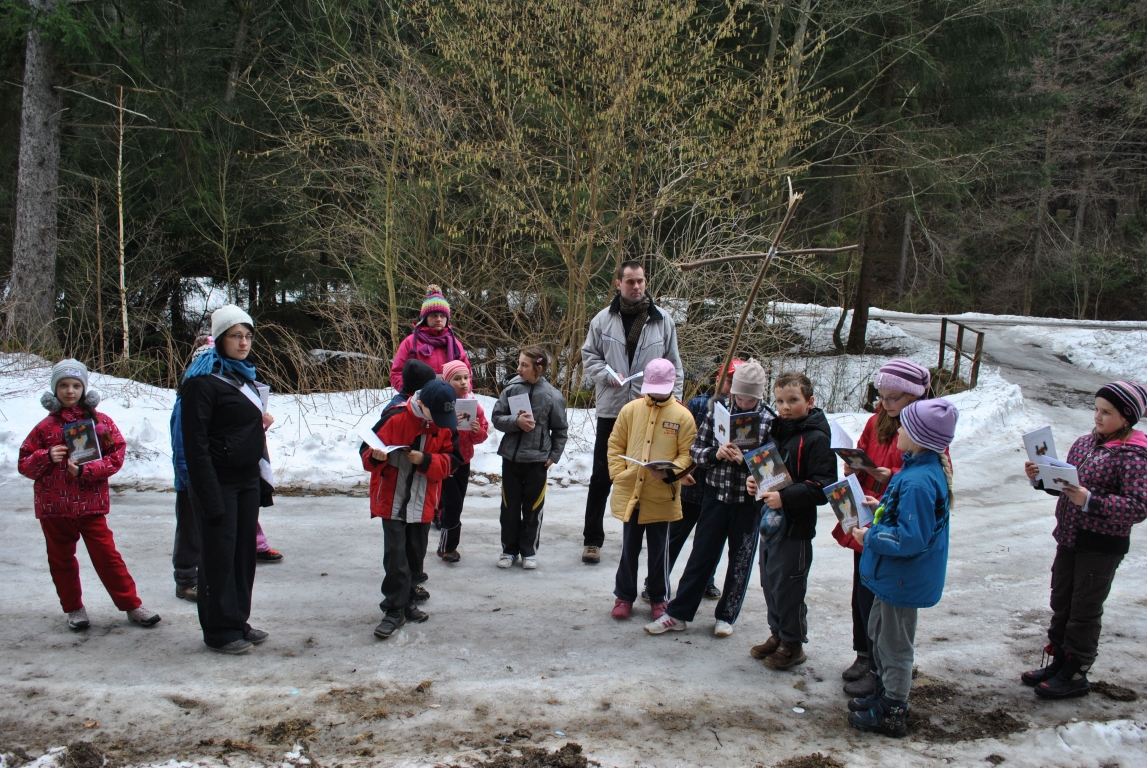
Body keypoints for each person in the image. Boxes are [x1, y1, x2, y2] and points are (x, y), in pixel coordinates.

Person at [1021, 381, 1147, 699]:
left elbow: (1138, 507)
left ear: (1127, 417)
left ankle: (1076, 672)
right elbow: (1065, 486)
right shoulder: (1084, 444)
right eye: (1096, 409)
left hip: (1101, 548)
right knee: (1061, 602)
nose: (1098, 417)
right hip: (1068, 537)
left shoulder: (1135, 455)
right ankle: (1059, 662)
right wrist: (1040, 477)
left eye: (1107, 412)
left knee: (1084, 610)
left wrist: (1091, 501)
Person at [19, 359, 161, 632]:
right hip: (54, 507)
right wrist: (46, 456)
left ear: (84, 388)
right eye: (63, 385)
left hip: (90, 505)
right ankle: (73, 608)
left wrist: (86, 470)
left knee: (108, 557)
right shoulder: (44, 427)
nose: (69, 391)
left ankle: (132, 605)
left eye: (75, 385)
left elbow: (116, 456)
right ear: (55, 389)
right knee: (61, 560)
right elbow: (24, 464)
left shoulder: (100, 422)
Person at [832, 359, 946, 697]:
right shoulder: (876, 420)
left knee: (882, 602)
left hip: (894, 524)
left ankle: (880, 669)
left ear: (914, 397)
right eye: (881, 397)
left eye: (893, 398)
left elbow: (935, 476)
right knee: (862, 591)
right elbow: (863, 450)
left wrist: (890, 475)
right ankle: (864, 653)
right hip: (869, 513)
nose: (885, 404)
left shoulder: (927, 428)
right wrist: (854, 467)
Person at [848, 399, 958, 738]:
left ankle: (893, 709)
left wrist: (870, 536)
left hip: (902, 578)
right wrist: (882, 506)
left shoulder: (919, 481)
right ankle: (882, 694)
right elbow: (908, 517)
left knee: (894, 645)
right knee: (880, 635)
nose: (897, 430)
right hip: (891, 577)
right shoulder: (915, 471)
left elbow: (910, 538)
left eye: (905, 427)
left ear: (921, 437)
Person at [644, 359, 772, 637]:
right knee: (701, 556)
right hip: (715, 497)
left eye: (749, 399)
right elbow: (696, 451)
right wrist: (716, 454)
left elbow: (774, 471)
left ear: (759, 396)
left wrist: (747, 461)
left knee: (740, 561)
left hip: (748, 504)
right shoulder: (718, 413)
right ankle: (678, 613)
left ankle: (726, 616)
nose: (743, 403)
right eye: (739, 397)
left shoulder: (770, 420)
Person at [180, 305, 272, 654]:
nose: (244, 342)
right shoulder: (201, 383)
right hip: (218, 482)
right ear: (220, 339)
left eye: (248, 336)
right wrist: (207, 494)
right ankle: (219, 631)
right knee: (219, 555)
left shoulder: (243, 377)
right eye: (236, 336)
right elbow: (196, 444)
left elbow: (235, 426)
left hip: (246, 479)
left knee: (243, 555)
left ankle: (238, 621)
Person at [579, 261, 683, 564]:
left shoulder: (662, 320)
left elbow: (674, 365)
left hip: (650, 410)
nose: (636, 286)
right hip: (612, 409)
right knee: (602, 475)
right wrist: (607, 375)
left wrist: (674, 404)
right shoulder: (603, 319)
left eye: (640, 281)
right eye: (630, 282)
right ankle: (592, 540)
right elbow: (589, 356)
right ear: (618, 284)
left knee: (648, 474)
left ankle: (641, 535)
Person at [171, 336, 282, 603]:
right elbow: (185, 445)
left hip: (223, 478)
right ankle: (186, 578)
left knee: (231, 530)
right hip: (194, 479)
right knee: (191, 532)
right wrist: (190, 480)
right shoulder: (191, 397)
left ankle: (251, 554)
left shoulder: (232, 388)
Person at [747, 371, 836, 670]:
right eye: (780, 401)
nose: (785, 407)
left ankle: (793, 643)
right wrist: (754, 483)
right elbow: (769, 472)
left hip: (796, 527)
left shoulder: (817, 438)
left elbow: (824, 486)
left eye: (793, 400)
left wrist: (785, 498)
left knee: (789, 586)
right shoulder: (778, 431)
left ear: (810, 401)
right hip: (770, 524)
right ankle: (777, 634)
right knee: (770, 581)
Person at [360, 379, 462, 639]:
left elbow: (453, 462)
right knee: (396, 557)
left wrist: (426, 460)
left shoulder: (445, 426)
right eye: (435, 414)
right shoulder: (395, 418)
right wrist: (376, 456)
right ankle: (393, 609)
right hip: (392, 501)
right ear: (421, 404)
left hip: (423, 502)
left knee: (416, 555)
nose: (441, 421)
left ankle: (407, 601)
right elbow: (366, 453)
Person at [640, 361, 742, 603]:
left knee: (712, 539)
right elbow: (684, 442)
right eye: (729, 381)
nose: (733, 387)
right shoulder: (698, 405)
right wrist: (682, 470)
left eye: (738, 383)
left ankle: (706, 579)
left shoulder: (743, 413)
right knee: (675, 536)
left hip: (720, 488)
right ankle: (655, 582)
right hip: (693, 484)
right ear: (718, 380)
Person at [607, 359, 698, 620]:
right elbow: (615, 445)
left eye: (661, 390)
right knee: (629, 547)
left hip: (662, 495)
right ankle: (623, 595)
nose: (656, 394)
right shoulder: (630, 410)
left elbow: (688, 454)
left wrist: (669, 472)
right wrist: (619, 474)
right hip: (632, 492)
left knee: (660, 550)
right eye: (652, 389)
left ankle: (659, 596)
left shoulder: (683, 416)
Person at [491, 346, 569, 569]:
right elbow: (497, 418)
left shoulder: (553, 396)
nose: (519, 368)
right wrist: (516, 422)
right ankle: (508, 550)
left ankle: (529, 551)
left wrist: (554, 455)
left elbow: (560, 430)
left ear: (539, 368)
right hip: (511, 459)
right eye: (519, 363)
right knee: (509, 507)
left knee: (533, 509)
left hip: (537, 462)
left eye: (524, 365)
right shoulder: (511, 389)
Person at [436, 359, 490, 562]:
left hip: (464, 462)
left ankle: (448, 543)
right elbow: (434, 434)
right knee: (453, 504)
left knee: (457, 504)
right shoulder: (441, 404)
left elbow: (481, 435)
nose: (463, 382)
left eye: (466, 377)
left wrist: (477, 431)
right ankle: (447, 548)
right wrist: (450, 424)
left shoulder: (473, 405)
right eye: (457, 379)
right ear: (447, 382)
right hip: (446, 462)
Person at [389, 285, 471, 393]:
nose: (439, 319)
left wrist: (463, 393)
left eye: (442, 316)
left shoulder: (455, 344)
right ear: (425, 318)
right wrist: (409, 392)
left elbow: (467, 374)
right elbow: (396, 373)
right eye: (434, 315)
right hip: (418, 399)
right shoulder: (410, 342)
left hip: (450, 398)